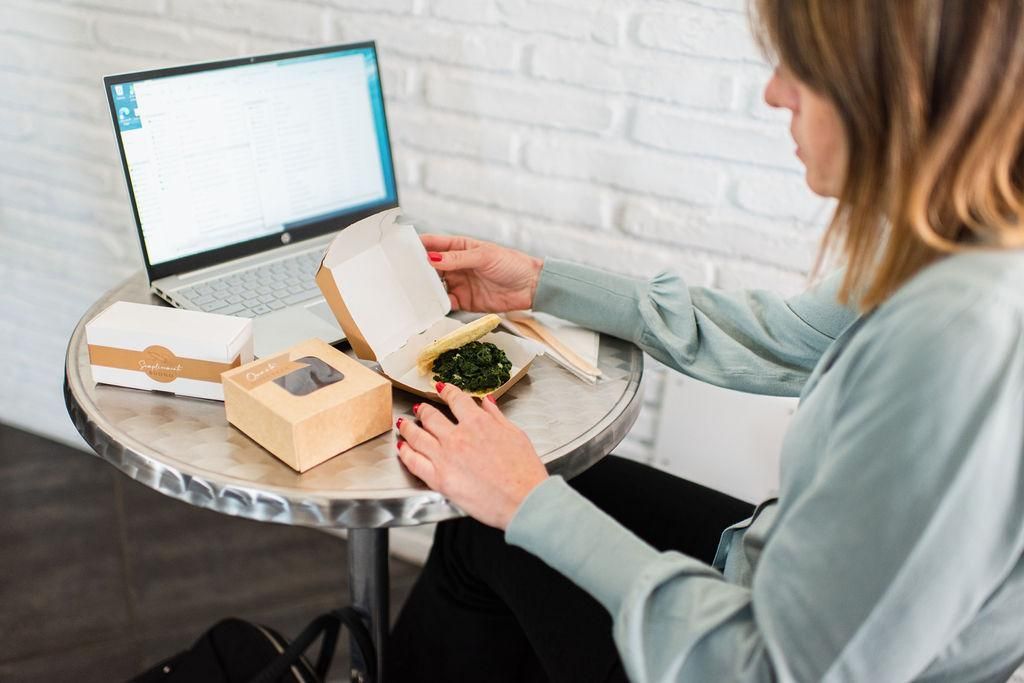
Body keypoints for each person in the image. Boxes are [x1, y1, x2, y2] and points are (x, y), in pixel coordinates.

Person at [388, 0, 1024, 680]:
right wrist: (542, 284)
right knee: (494, 519)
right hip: (764, 567)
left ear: (896, 89)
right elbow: (780, 336)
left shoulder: (962, 336)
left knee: (487, 528)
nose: (774, 92)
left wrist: (527, 502)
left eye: (802, 69)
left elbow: (767, 669)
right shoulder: (951, 242)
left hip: (742, 652)